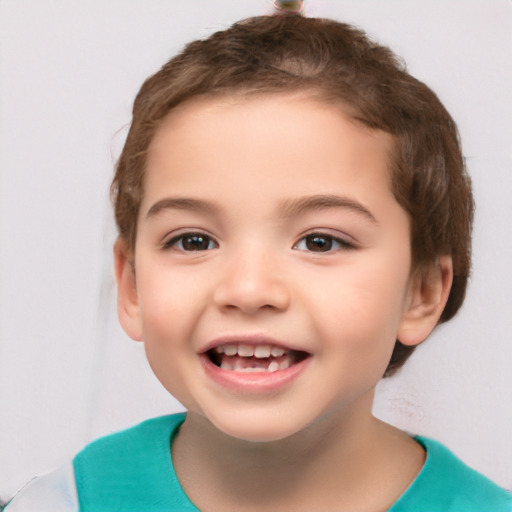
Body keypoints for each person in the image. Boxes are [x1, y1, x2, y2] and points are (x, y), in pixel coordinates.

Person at [5, 11, 511, 512]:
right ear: (132, 285)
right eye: (194, 241)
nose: (248, 290)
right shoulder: (62, 503)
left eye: (320, 242)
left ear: (421, 291)